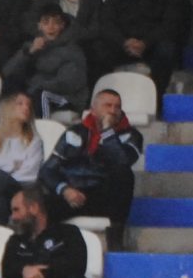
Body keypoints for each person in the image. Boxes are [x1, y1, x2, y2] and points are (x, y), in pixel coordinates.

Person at [42, 88, 145, 227]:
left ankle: (115, 234)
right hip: (73, 194)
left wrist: (107, 132)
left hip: (104, 197)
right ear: (93, 110)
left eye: (117, 107)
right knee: (38, 207)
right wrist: (65, 189)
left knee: (124, 174)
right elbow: (48, 169)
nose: (113, 111)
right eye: (108, 105)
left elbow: (124, 161)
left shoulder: (132, 135)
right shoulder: (75, 132)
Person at [97, 0, 190, 94]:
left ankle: (156, 98)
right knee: (97, 50)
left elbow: (170, 24)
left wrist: (145, 43)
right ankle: (101, 99)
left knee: (166, 50)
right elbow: (107, 21)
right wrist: (124, 42)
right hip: (123, 43)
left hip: (152, 44)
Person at [2, 7, 89, 119]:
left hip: (67, 98)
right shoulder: (31, 46)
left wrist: (34, 89)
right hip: (35, 91)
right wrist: (30, 52)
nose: (50, 27)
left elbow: (68, 83)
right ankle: (9, 127)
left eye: (56, 23)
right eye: (46, 22)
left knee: (42, 95)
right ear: (39, 26)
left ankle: (41, 129)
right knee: (10, 85)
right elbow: (7, 72)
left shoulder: (72, 50)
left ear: (62, 26)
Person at [0, 91, 44, 224]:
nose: (26, 108)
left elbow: (29, 175)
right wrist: (13, 165)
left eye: (28, 105)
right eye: (20, 104)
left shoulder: (34, 142)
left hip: (18, 189)